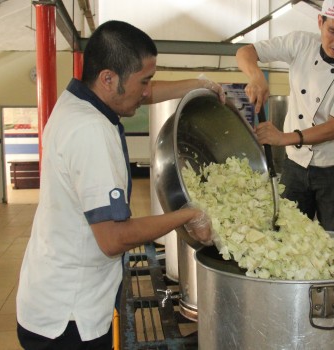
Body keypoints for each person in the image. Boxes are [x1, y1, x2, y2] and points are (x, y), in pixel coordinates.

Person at [16, 20, 224, 349]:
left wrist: (201, 84)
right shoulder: (91, 131)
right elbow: (114, 238)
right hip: (69, 319)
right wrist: (189, 214)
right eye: (144, 80)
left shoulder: (78, 99)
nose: (147, 91)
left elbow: (146, 92)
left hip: (50, 292)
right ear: (109, 78)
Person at [236, 0, 334, 233]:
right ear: (320, 22)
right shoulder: (300, 42)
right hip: (295, 166)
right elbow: (245, 52)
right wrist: (256, 75)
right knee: (289, 235)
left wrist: (282, 138)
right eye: (332, 31)